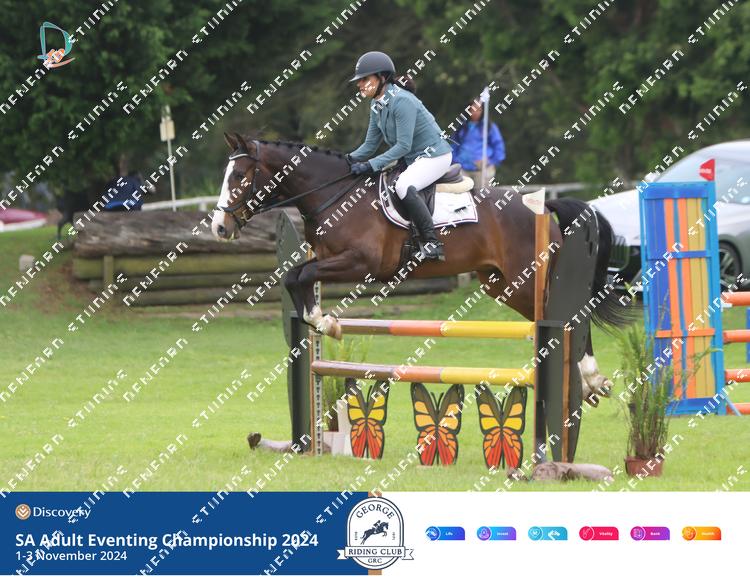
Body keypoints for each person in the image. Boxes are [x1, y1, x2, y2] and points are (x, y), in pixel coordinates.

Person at [346, 51, 452, 261]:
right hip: (413, 158)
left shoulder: (402, 101)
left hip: (435, 156)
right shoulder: (376, 104)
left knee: (403, 186)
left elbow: (403, 146)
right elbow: (369, 145)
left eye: (364, 79)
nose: (359, 84)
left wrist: (370, 165)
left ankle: (432, 243)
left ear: (382, 77)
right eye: (359, 80)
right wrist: (346, 159)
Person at [451, 100, 505, 188]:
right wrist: (455, 160)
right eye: (473, 109)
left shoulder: (489, 127)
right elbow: (454, 144)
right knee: (462, 192)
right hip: (463, 168)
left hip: (483, 169)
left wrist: (491, 161)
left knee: (482, 194)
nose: (475, 112)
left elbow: (498, 146)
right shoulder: (462, 126)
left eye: (479, 110)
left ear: (483, 111)